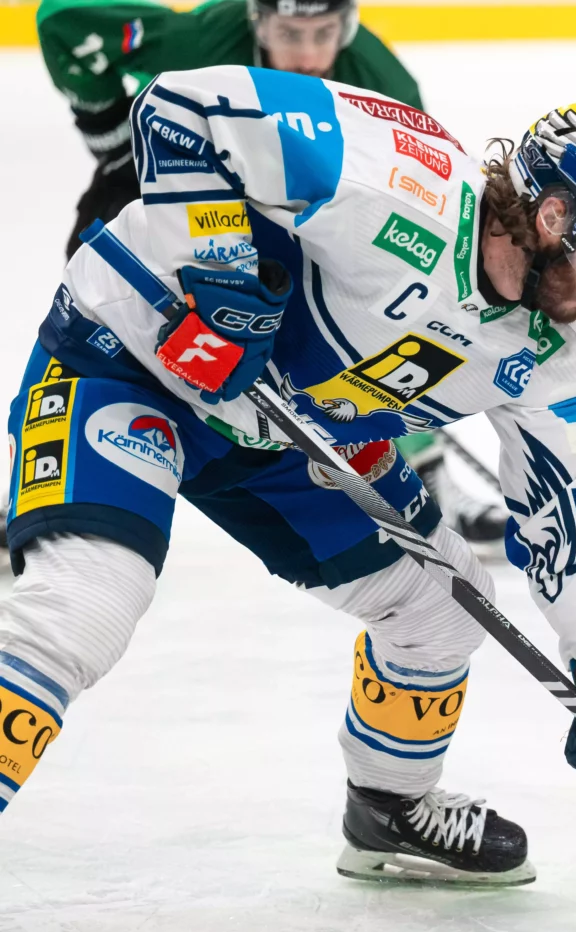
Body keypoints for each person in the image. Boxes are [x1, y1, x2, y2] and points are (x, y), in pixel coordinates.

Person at [2, 76, 576, 886]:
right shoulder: (396, 175)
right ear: (554, 218)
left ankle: (389, 808)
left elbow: (570, 511)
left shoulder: (564, 353)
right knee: (85, 608)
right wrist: (215, 269)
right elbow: (181, 109)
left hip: (291, 434)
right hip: (131, 359)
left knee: (443, 604)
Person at [36, 0, 508, 553]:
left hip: (292, 212)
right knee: (94, 308)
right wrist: (110, 130)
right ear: (256, 21)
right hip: (180, 182)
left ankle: (426, 470)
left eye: (325, 32)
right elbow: (59, 21)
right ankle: (46, 473)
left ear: (348, 26)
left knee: (368, 322)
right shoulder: (200, 42)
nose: (308, 56)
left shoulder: (382, 83)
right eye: (290, 32)